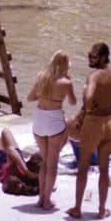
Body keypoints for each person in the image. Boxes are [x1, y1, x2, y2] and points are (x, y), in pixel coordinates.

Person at [68, 42, 111, 220]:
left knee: (83, 167)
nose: (89, 59)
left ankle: (77, 208)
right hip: (109, 122)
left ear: (102, 57)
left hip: (93, 123)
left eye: (93, 56)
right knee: (104, 169)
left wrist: (88, 105)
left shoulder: (94, 76)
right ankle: (101, 210)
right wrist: (105, 101)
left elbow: (88, 97)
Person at [26, 50, 76, 211]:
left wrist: (44, 95)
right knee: (52, 164)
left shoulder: (41, 77)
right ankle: (47, 200)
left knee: (44, 162)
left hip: (39, 121)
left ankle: (41, 198)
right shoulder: (65, 82)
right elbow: (73, 102)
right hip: (54, 121)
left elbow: (30, 98)